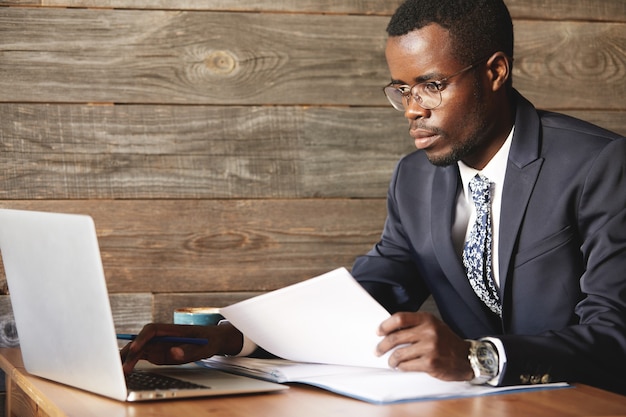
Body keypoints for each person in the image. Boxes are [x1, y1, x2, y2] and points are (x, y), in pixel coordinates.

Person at [121, 0, 626, 395]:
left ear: (495, 72)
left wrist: (478, 358)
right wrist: (233, 336)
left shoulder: (599, 165)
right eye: (401, 90)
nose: (412, 109)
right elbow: (366, 295)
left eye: (430, 85)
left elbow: (615, 335)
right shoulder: (414, 179)